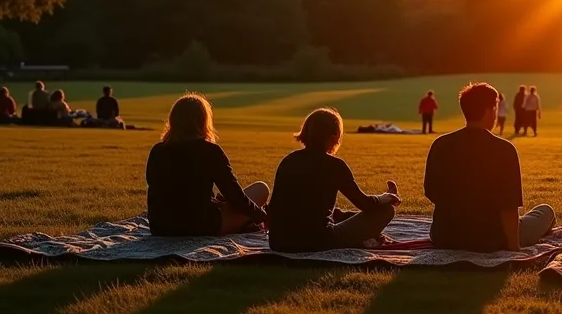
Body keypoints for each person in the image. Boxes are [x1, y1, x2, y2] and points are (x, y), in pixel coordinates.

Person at [424, 83, 555, 252]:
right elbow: (509, 207)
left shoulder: (440, 145)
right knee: (546, 211)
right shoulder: (504, 150)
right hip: (491, 239)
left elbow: (431, 192)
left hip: (445, 236)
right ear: (490, 109)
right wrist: (514, 247)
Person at [268, 108, 401, 252]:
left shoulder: (288, 161)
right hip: (317, 242)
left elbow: (277, 207)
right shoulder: (335, 165)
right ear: (335, 135)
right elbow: (365, 204)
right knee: (386, 211)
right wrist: (384, 199)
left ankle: (354, 228)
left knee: (338, 214)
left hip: (278, 242)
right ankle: (362, 239)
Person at [146, 93, 269, 236]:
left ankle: (245, 223)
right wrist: (263, 216)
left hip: (160, 226)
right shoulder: (210, 151)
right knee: (261, 189)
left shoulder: (158, 151)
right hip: (200, 226)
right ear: (204, 121)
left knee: (223, 202)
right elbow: (236, 197)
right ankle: (246, 223)